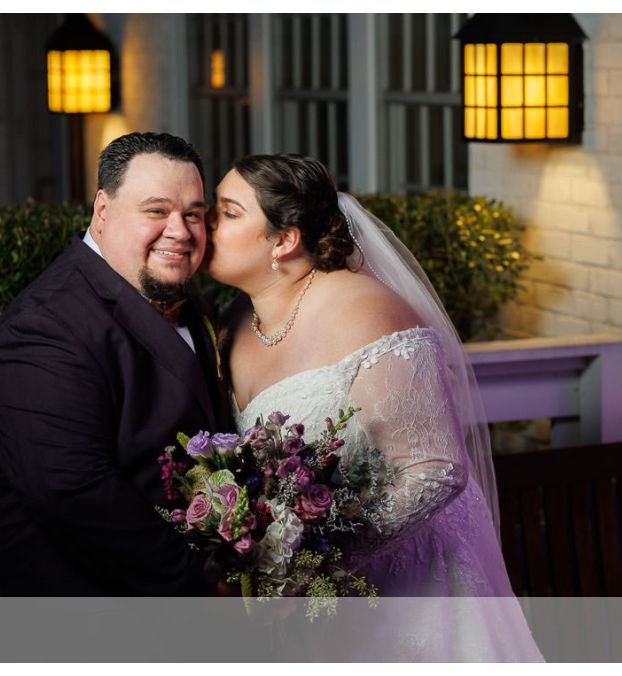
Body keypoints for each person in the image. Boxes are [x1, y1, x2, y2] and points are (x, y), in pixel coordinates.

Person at [206, 154, 544, 660]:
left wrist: (310, 562)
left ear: (283, 239)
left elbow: (436, 469)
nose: (207, 223)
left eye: (228, 213)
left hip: (408, 598)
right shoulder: (232, 324)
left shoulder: (366, 312)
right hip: (309, 617)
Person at [0, 132, 231, 595]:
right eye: (156, 210)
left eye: (192, 214)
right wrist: (212, 586)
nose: (181, 231)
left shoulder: (188, 303)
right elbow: (74, 495)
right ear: (102, 211)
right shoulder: (44, 328)